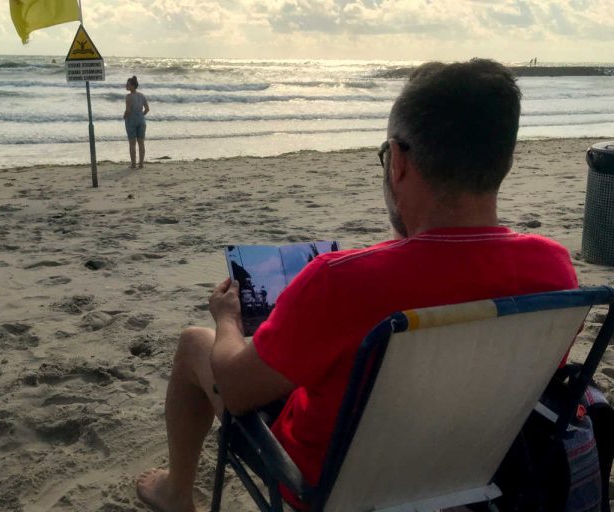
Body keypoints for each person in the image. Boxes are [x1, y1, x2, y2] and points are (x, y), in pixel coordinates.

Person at [136, 59, 579, 512]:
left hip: (326, 481)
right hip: (468, 466)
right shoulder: (554, 268)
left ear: (399, 162)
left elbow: (235, 390)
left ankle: (176, 493)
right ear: (502, 160)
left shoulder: (339, 279)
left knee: (196, 342)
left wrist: (227, 319)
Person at [124, 75, 149, 169]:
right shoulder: (142, 96)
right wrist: (141, 115)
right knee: (141, 143)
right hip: (141, 120)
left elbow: (128, 110)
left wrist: (124, 116)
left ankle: (134, 164)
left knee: (132, 143)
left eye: (128, 84)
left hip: (131, 120)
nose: (126, 86)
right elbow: (147, 109)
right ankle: (141, 164)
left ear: (133, 86)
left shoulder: (129, 97)